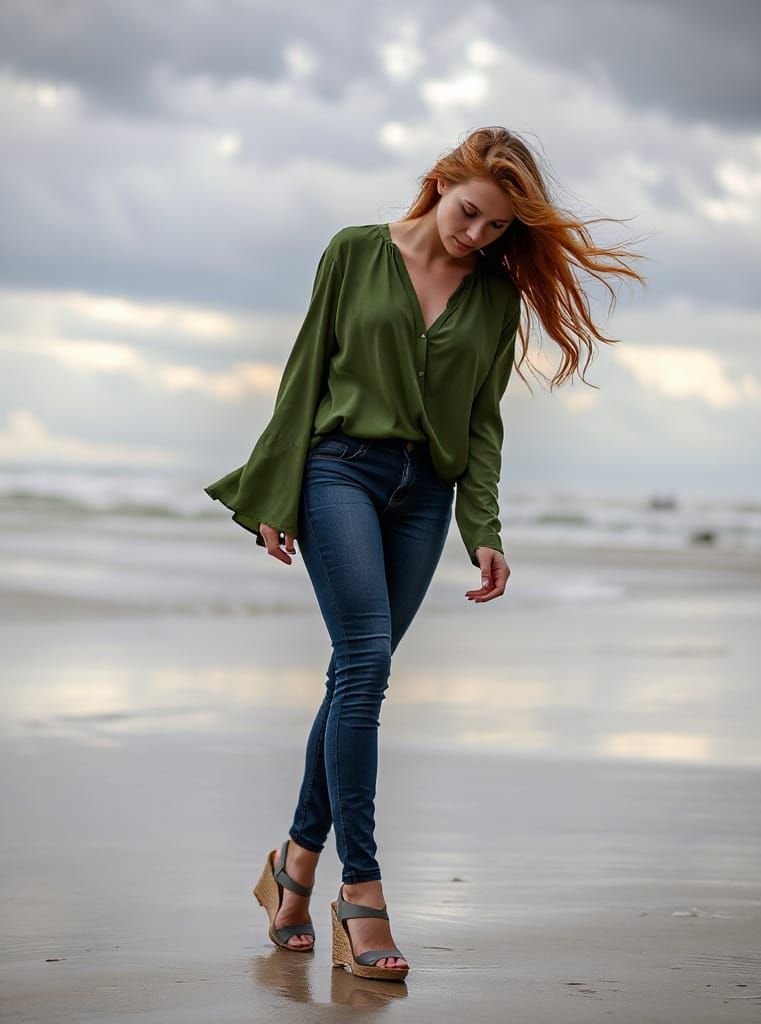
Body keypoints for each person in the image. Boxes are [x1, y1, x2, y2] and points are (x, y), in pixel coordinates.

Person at [204, 126, 647, 980]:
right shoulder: (354, 252)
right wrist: (273, 492)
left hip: (425, 499)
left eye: (497, 228)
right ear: (442, 182)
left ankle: (292, 867)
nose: (477, 235)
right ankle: (359, 890)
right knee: (366, 664)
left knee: (353, 674)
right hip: (338, 471)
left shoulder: (496, 298)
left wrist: (484, 527)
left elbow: (482, 422)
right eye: (470, 212)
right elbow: (305, 373)